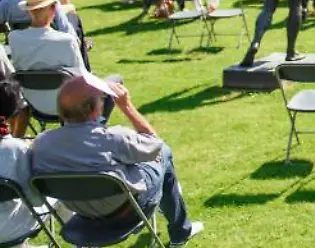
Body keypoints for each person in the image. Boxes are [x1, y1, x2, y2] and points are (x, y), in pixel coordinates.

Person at [32, 75, 204, 246]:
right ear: (95, 109)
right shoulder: (113, 138)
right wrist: (127, 106)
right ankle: (180, 231)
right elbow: (155, 145)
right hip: (128, 212)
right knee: (164, 152)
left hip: (83, 214)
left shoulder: (41, 144)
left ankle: (179, 222)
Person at [0, 79, 47, 245]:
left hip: (7, 221)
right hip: (7, 228)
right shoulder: (15, 149)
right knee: (58, 195)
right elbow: (36, 200)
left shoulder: (14, 147)